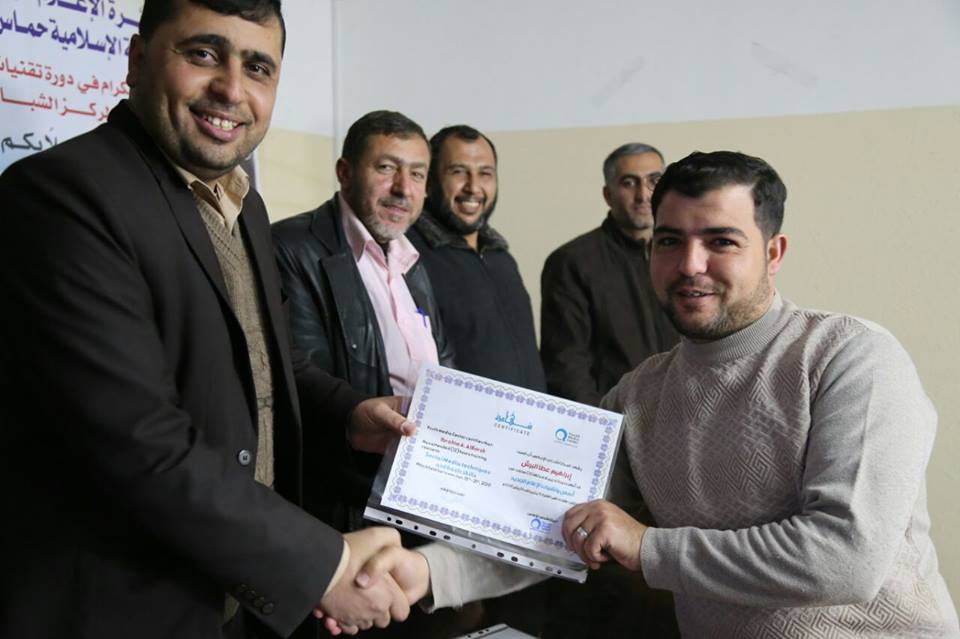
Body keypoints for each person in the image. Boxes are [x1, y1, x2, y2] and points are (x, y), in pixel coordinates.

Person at [345, 151, 960, 638]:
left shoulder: (851, 358)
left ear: (774, 253)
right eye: (669, 241)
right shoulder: (640, 395)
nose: (690, 264)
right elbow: (555, 525)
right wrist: (429, 571)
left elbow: (845, 558)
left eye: (721, 241)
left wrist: (648, 546)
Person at [0, 1, 415, 637]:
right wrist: (325, 566)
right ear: (138, 59)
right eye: (202, 54)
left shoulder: (241, 201)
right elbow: (137, 439)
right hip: (122, 609)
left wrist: (349, 414)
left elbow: (267, 356)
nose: (232, 89)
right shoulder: (62, 196)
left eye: (258, 68)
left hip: (235, 600)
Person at [272, 111, 455, 538]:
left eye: (417, 174)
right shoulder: (291, 247)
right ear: (345, 172)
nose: (403, 189)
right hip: (342, 505)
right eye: (387, 168)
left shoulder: (412, 258)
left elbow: (439, 361)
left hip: (417, 490)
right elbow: (295, 375)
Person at [407, 125, 545, 392]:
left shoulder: (501, 257)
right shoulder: (409, 257)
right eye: (458, 172)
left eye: (485, 173)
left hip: (523, 417)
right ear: (430, 182)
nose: (473, 187)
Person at [540, 142, 678, 406]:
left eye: (654, 181)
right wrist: (598, 426)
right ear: (608, 194)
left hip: (685, 414)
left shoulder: (685, 255)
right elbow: (567, 367)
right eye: (629, 183)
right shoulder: (572, 262)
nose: (643, 195)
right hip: (615, 418)